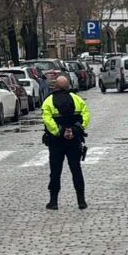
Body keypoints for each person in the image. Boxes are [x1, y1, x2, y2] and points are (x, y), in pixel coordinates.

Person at [41, 71, 90, 211]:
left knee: (55, 171)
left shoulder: (48, 101)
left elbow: (47, 120)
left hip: (56, 142)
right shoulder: (77, 99)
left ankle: (53, 202)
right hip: (74, 140)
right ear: (68, 86)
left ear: (55, 86)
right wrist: (75, 130)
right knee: (76, 169)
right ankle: (81, 201)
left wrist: (59, 132)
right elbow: (86, 115)